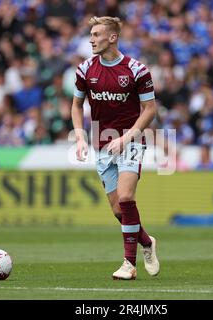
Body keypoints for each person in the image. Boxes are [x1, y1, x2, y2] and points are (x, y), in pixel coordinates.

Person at [71, 16, 159, 280]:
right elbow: (76, 105)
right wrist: (79, 136)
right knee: (119, 211)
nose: (91, 39)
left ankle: (128, 265)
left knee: (126, 196)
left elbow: (150, 109)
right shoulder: (85, 70)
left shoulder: (136, 70)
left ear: (113, 37)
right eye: (91, 34)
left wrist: (128, 137)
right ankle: (146, 242)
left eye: (97, 34)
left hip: (130, 141)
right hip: (102, 144)